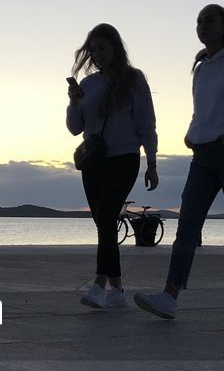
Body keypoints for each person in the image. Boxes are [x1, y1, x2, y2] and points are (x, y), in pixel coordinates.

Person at [134, 4, 224, 321]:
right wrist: (191, 133)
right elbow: (202, 112)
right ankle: (170, 295)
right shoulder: (201, 68)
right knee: (187, 226)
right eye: (199, 21)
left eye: (210, 20)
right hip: (204, 157)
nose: (203, 25)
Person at [66, 23, 158, 309]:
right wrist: (72, 103)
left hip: (124, 158)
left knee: (106, 216)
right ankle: (117, 291)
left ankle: (98, 285)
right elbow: (74, 128)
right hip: (94, 161)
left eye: (102, 48)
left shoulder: (134, 79)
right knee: (103, 223)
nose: (97, 55)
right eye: (93, 50)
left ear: (116, 47)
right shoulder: (89, 84)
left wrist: (152, 161)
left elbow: (146, 122)